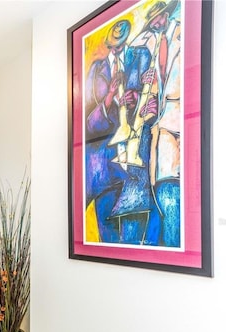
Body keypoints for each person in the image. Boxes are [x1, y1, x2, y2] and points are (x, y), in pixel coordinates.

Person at [84, 19, 152, 244]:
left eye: (120, 46)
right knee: (108, 240)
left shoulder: (140, 57)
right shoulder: (96, 71)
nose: (116, 51)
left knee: (133, 244)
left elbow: (150, 97)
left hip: (134, 166)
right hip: (105, 170)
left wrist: (134, 99)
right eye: (112, 47)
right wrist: (110, 98)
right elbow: (89, 125)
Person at [130, 0, 181, 247]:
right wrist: (146, 85)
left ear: (167, 14)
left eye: (160, 17)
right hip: (160, 130)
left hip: (177, 125)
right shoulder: (154, 44)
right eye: (153, 20)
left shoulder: (181, 34)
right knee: (160, 192)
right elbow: (156, 87)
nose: (157, 23)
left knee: (170, 195)